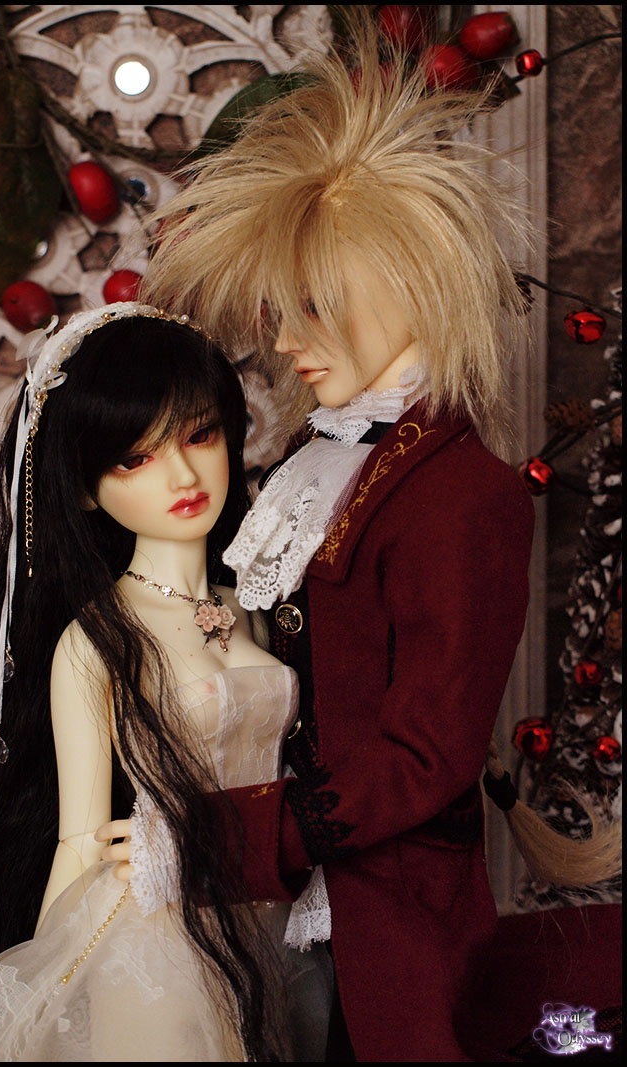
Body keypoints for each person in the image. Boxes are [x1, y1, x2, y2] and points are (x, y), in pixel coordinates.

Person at [114, 10, 621, 1061]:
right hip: (286, 902)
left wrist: (226, 838)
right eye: (279, 310)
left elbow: (424, 756)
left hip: (387, 916)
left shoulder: (461, 495)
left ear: (400, 283)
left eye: (312, 304)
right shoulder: (319, 460)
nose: (287, 341)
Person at [0, 304, 332, 1062]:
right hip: (159, 936)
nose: (183, 474)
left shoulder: (254, 608)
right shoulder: (96, 640)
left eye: (200, 435)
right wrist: (48, 994)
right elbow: (79, 841)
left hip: (271, 914)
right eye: (135, 458)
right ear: (86, 490)